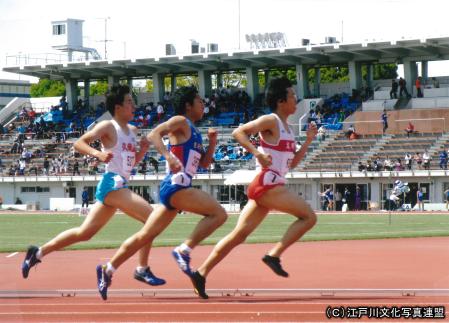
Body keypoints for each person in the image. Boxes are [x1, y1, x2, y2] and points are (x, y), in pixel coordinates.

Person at [21, 85, 165, 289]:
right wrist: (98, 154)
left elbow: (130, 165)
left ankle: (37, 253)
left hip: (120, 184)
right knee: (151, 218)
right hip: (111, 185)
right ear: (118, 107)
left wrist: (142, 150)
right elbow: (79, 143)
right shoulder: (108, 126)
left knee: (85, 233)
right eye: (129, 102)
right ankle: (140, 269)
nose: (134, 105)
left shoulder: (133, 131)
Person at [188, 77, 318, 299]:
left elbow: (292, 163)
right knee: (308, 217)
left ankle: (201, 272)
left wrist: (308, 141)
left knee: (239, 235)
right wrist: (257, 153)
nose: (296, 98)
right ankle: (274, 255)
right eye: (292, 95)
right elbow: (239, 132)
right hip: (268, 184)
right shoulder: (271, 120)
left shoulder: (287, 127)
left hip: (269, 185)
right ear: (280, 100)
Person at [95, 85, 227, 300]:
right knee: (218, 214)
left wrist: (212, 143)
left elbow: (203, 163)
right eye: (199, 101)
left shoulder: (194, 130)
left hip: (175, 189)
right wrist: (168, 156)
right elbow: (155, 134)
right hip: (177, 186)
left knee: (146, 234)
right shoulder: (180, 121)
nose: (203, 105)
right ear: (188, 105)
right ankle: (184, 250)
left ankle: (108, 269)